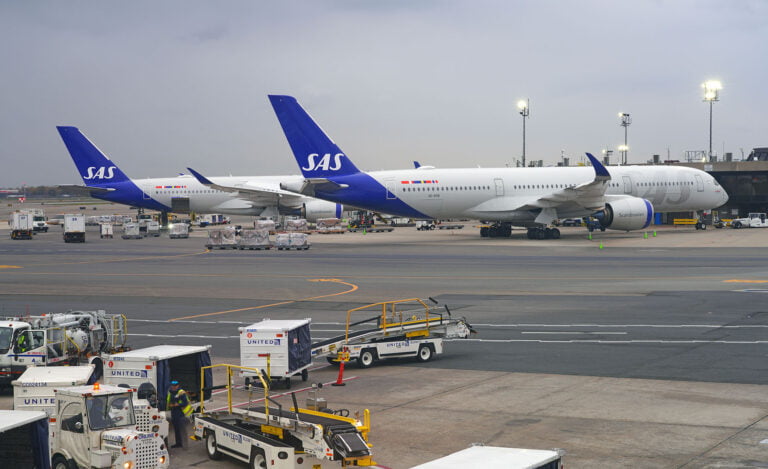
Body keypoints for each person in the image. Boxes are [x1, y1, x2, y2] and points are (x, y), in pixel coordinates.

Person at [166, 380, 192, 448]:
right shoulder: (170, 392)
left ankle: (185, 445)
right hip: (174, 413)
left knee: (182, 430)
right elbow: (168, 401)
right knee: (176, 429)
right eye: (172, 386)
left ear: (178, 386)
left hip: (181, 413)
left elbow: (185, 403)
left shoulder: (181, 392)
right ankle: (178, 443)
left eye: (175, 386)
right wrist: (170, 406)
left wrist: (178, 405)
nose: (173, 387)